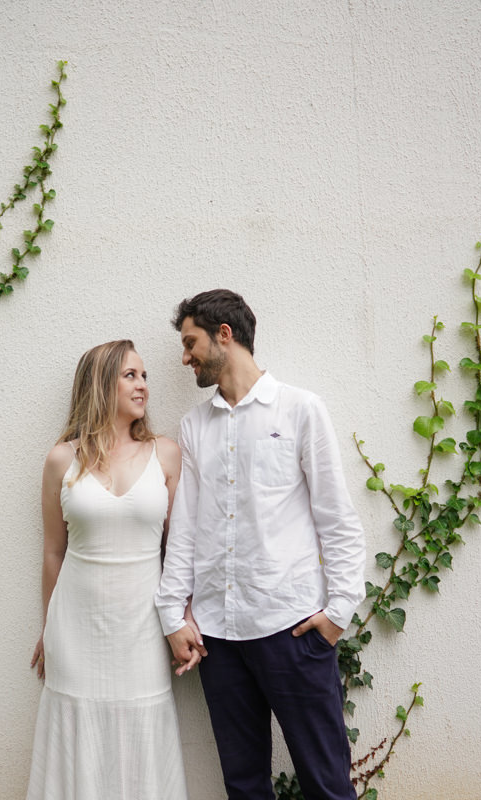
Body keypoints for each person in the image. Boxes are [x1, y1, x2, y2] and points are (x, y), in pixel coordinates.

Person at [155, 290, 367, 800]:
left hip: (291, 629)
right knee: (244, 786)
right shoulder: (193, 427)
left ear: (223, 335)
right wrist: (172, 614)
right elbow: (184, 529)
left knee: (327, 783)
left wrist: (338, 612)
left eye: (191, 343)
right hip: (219, 638)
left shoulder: (300, 410)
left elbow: (336, 518)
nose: (185, 357)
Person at [26, 339, 190, 800]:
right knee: (76, 732)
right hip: (75, 629)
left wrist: (183, 618)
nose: (143, 386)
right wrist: (47, 627)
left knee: (141, 732)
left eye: (144, 376)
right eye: (131, 376)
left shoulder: (166, 454)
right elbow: (53, 553)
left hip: (141, 626)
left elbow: (179, 551)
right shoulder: (62, 459)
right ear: (101, 384)